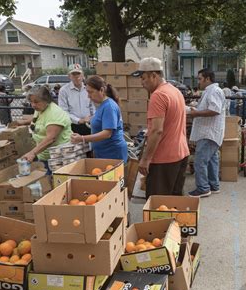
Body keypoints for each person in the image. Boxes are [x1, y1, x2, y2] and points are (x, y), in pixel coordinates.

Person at [133, 57, 189, 198]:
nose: (141, 83)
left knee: (158, 205)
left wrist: (146, 159)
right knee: (174, 201)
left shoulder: (158, 95)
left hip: (164, 158)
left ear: (154, 75)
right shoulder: (175, 91)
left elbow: (157, 131)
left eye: (143, 78)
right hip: (180, 153)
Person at [13, 86, 72, 174]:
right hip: (44, 156)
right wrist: (23, 122)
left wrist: (32, 153)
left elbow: (51, 138)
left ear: (46, 100)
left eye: (36, 102)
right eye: (31, 102)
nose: (33, 105)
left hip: (58, 159)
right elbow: (39, 120)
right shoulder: (41, 108)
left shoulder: (54, 113)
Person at [70, 76, 128, 162]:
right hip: (103, 153)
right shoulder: (102, 105)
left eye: (91, 92)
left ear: (101, 90)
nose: (89, 96)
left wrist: (82, 138)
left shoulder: (109, 106)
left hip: (112, 154)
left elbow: (107, 133)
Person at [188, 68, 226, 197]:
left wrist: (196, 113)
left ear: (207, 79)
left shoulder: (213, 91)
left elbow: (215, 110)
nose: (198, 82)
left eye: (200, 79)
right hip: (210, 132)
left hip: (209, 133)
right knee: (211, 160)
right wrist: (196, 109)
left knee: (200, 161)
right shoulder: (211, 91)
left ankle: (203, 188)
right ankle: (213, 185)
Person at [59, 64, 95, 135]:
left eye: (78, 74)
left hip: (89, 123)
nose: (77, 77)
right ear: (69, 76)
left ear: (83, 75)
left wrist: (93, 117)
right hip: (73, 125)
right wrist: (79, 120)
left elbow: (93, 105)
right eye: (73, 74)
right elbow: (63, 111)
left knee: (91, 144)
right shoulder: (64, 91)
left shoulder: (88, 88)